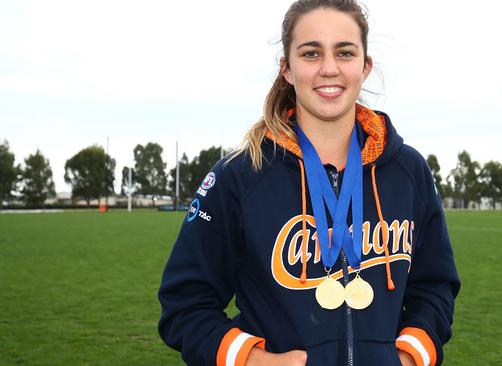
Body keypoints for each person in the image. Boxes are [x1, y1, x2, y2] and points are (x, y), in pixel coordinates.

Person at [158, 1, 460, 365]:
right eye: (311, 53)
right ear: (287, 68)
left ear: (365, 67)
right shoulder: (238, 176)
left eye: (345, 53)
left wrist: (412, 357)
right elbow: (185, 304)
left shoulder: (408, 170)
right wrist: (258, 361)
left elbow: (435, 286)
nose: (329, 69)